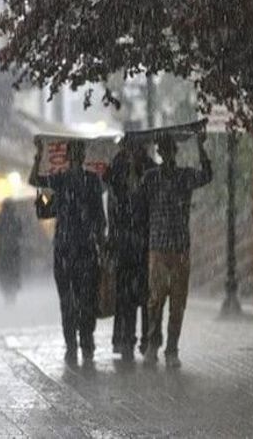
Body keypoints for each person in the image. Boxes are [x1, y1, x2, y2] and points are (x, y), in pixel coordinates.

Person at [30, 139, 105, 366]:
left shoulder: (87, 180)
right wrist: (39, 156)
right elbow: (35, 181)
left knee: (82, 300)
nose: (76, 157)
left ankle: (82, 343)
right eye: (75, 153)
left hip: (79, 249)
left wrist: (101, 242)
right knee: (72, 300)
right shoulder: (63, 180)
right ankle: (76, 344)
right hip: (70, 249)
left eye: (78, 153)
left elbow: (99, 217)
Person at [142, 131, 212, 368]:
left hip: (179, 248)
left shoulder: (185, 176)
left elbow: (207, 175)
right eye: (163, 150)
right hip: (159, 248)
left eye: (170, 149)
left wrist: (201, 147)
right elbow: (135, 195)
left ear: (174, 152)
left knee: (177, 304)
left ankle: (172, 348)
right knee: (155, 302)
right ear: (160, 153)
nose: (167, 154)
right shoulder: (151, 178)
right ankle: (153, 344)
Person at [104, 139, 157, 362]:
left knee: (145, 296)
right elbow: (110, 194)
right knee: (125, 295)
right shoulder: (118, 167)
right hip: (124, 243)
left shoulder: (150, 169)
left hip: (144, 243)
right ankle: (126, 339)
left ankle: (147, 339)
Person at [0, 199, 23, 304]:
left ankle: (6, 293)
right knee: (14, 271)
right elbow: (20, 232)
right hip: (14, 250)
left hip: (3, 250)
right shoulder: (16, 218)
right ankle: (13, 292)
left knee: (4, 272)